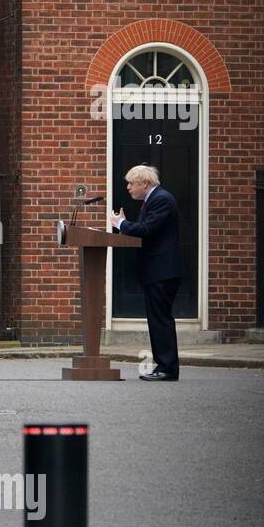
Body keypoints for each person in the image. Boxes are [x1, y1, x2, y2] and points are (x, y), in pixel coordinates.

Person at [110, 164, 184, 382]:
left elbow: (146, 230)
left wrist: (121, 223)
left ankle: (168, 368)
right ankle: (163, 365)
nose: (128, 188)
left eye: (132, 183)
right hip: (157, 271)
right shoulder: (152, 200)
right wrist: (123, 225)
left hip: (162, 270)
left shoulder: (161, 199)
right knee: (157, 319)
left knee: (160, 320)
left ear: (145, 183)